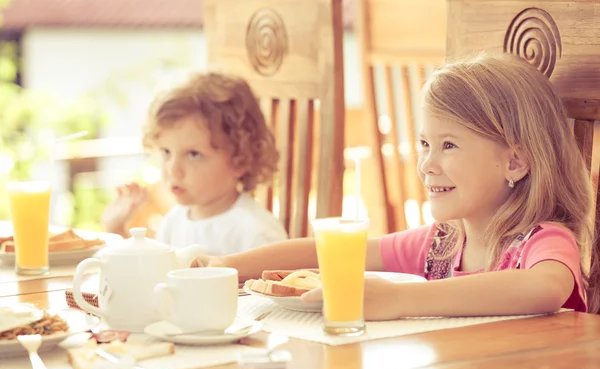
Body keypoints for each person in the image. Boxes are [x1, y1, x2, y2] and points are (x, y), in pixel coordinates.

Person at [191, 53, 600, 320]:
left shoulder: (544, 240)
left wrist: (399, 299)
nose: (426, 164)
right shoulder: (441, 243)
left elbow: (544, 287)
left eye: (448, 145)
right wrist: (228, 264)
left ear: (514, 160)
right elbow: (337, 250)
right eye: (424, 144)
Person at [102, 72, 288, 255]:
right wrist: (117, 230)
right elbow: (150, 276)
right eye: (166, 152)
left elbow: (280, 283)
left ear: (240, 160)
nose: (173, 170)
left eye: (193, 154)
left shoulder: (257, 233)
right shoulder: (174, 221)